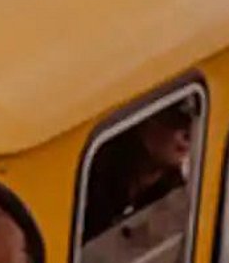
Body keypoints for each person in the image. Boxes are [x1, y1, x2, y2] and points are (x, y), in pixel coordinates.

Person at [80, 98, 195, 243]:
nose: (187, 135)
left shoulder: (178, 194)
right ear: (147, 121)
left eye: (190, 125)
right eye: (174, 121)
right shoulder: (94, 173)